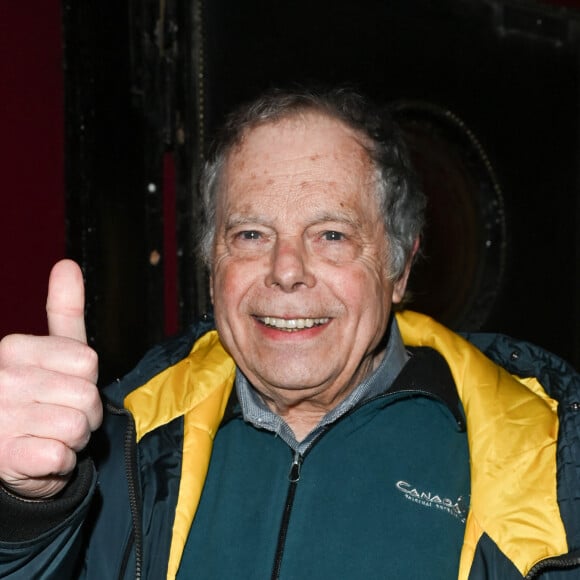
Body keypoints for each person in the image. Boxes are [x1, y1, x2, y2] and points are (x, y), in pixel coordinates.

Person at [0, 87, 578, 580]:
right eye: (250, 234)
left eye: (331, 235)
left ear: (400, 268)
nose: (285, 269)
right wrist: (24, 505)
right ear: (210, 265)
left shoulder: (546, 460)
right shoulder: (123, 437)